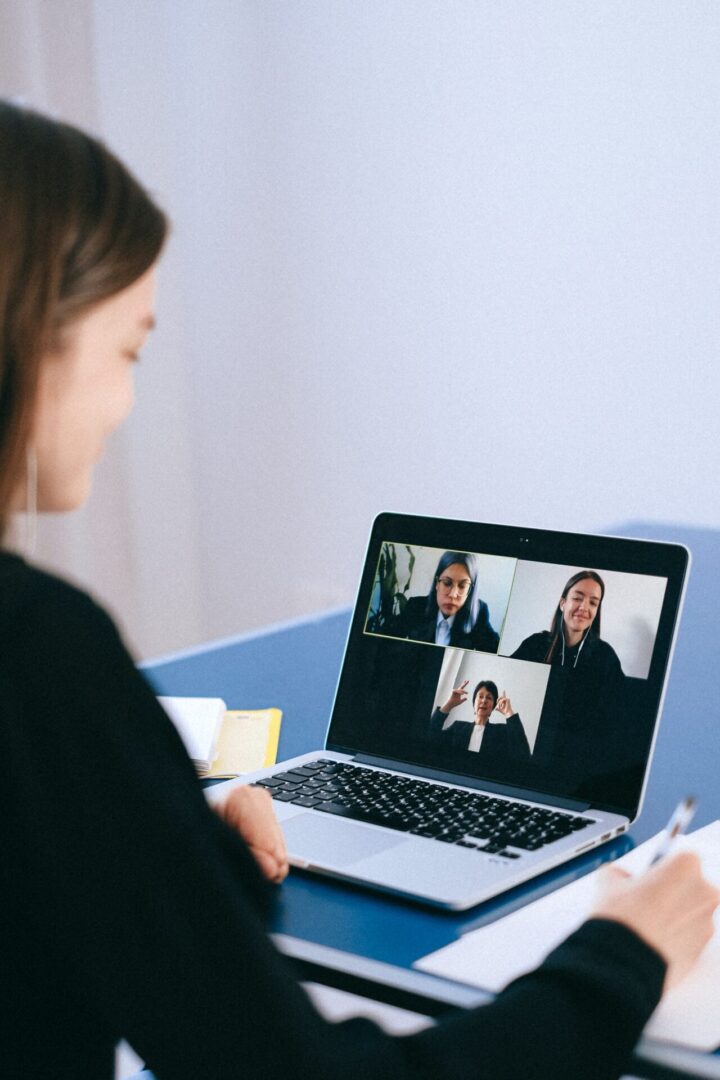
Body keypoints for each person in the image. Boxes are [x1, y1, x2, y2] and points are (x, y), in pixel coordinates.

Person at [1, 99, 718, 1080]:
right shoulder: (40, 656)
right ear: (33, 330)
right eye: (129, 351)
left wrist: (163, 854)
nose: (127, 402)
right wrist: (620, 957)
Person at [511, 572, 627, 790]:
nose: (584, 607)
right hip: (529, 757)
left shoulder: (605, 656)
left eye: (593, 602)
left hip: (577, 768)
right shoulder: (535, 644)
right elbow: (509, 688)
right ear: (563, 603)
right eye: (577, 598)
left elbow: (615, 722)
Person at [394, 550, 499, 652]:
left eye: (462, 586)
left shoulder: (479, 614)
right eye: (447, 583)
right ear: (437, 583)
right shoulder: (416, 606)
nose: (453, 594)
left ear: (470, 590)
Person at [430, 678, 531, 765]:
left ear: (493, 706)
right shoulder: (458, 727)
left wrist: (509, 713)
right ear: (474, 702)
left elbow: (523, 756)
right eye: (480, 696)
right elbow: (429, 737)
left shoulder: (502, 731)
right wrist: (449, 705)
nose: (484, 701)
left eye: (489, 697)